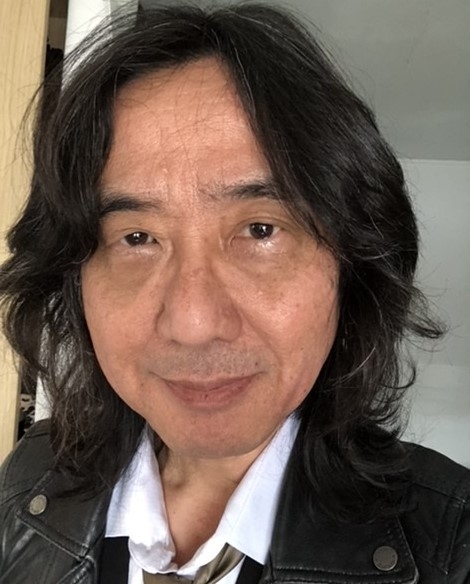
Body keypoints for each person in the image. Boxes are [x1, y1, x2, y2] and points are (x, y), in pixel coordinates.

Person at [0, 3, 469, 583]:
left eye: (261, 230)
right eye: (137, 237)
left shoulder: (451, 545)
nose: (194, 323)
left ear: (351, 266)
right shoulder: (31, 477)